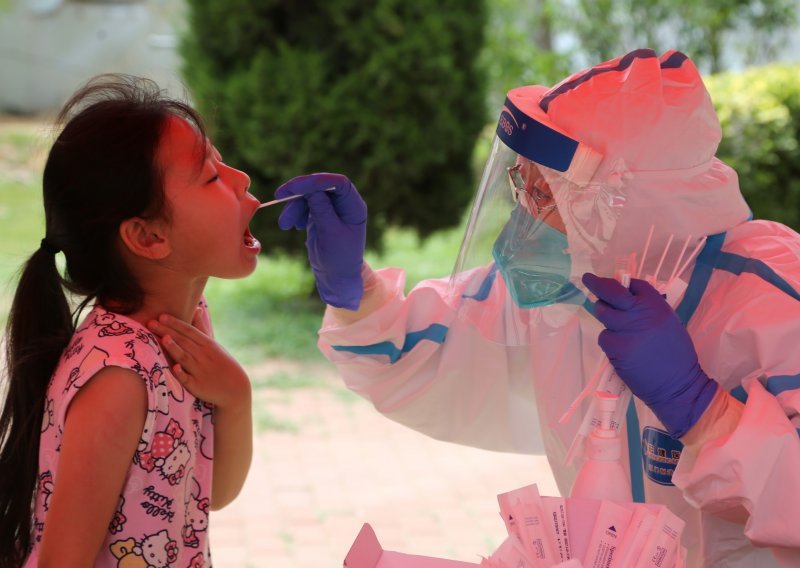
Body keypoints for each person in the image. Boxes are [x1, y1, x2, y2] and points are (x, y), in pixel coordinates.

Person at [275, 49, 800, 567]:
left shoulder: (772, 297)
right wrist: (356, 292)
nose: (523, 216)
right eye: (520, 186)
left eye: (546, 196)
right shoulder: (566, 292)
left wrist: (704, 411)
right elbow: (428, 355)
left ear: (632, 204)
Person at [0, 75, 259, 567]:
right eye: (210, 176)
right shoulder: (118, 375)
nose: (241, 179)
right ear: (147, 237)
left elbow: (210, 494)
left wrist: (235, 397)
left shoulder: (185, 330)